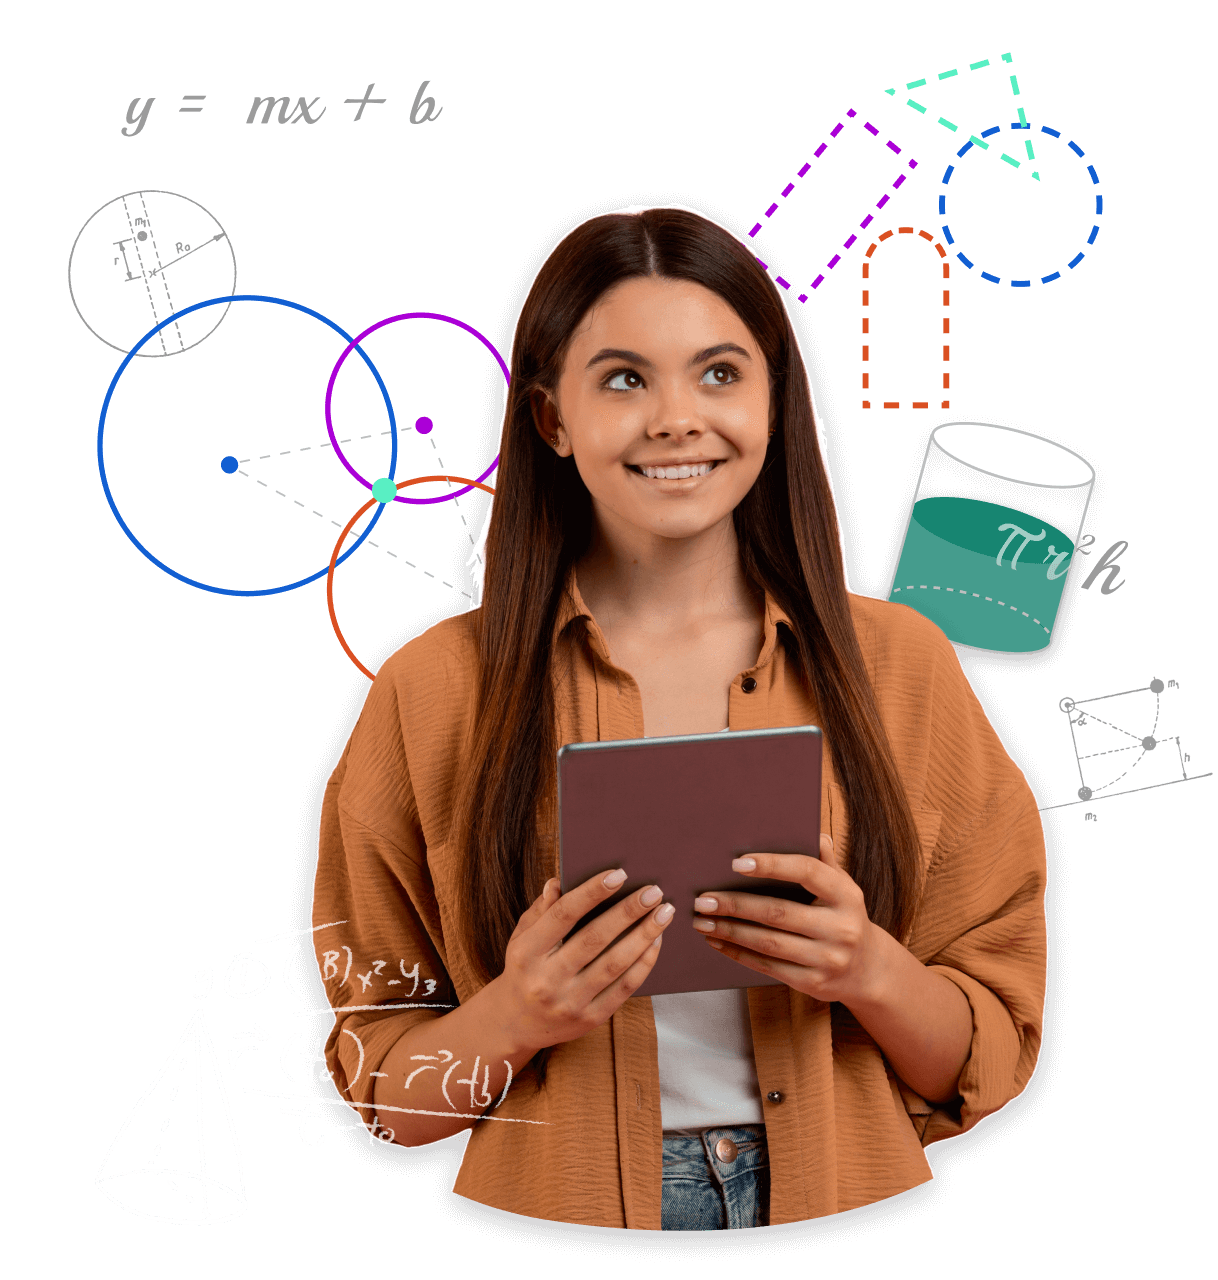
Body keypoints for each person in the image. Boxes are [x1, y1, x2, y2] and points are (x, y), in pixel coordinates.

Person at [312, 206, 1048, 1232]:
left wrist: (866, 968)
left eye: (719, 372)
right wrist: (518, 1013)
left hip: (850, 1198)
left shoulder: (903, 664)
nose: (676, 418)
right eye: (624, 378)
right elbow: (383, 1101)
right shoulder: (429, 690)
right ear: (551, 418)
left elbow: (990, 1056)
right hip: (554, 1212)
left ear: (775, 398)